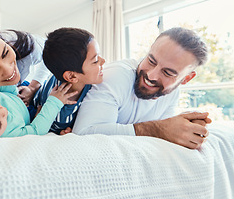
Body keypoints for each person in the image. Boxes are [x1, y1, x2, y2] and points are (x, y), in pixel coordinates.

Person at [73, 27, 212, 149]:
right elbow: (83, 132)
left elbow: (166, 130)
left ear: (186, 79)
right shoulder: (117, 75)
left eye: (167, 73)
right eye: (151, 61)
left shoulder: (172, 94)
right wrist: (159, 130)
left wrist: (189, 127)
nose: (151, 75)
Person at [34, 27, 105, 134]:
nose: (103, 61)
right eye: (95, 61)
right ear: (72, 77)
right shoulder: (62, 115)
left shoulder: (68, 74)